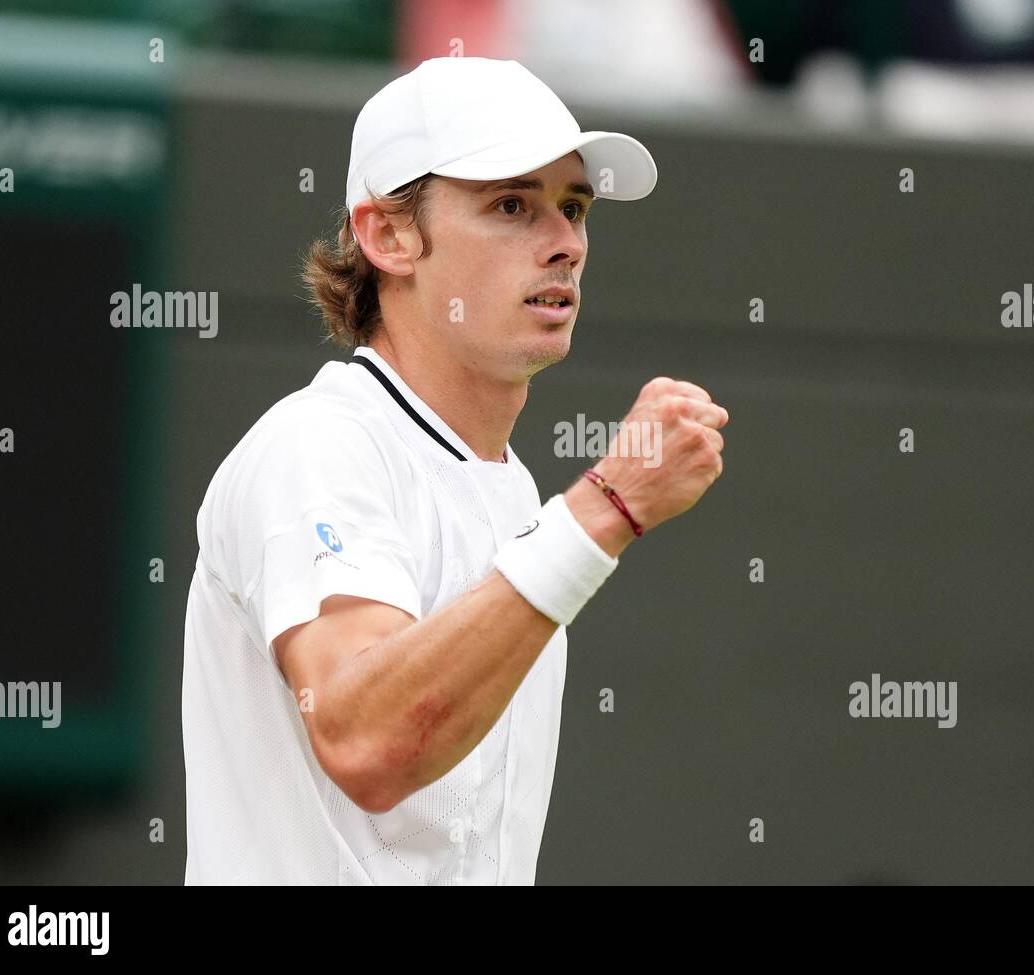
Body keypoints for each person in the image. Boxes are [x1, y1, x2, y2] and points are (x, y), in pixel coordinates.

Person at [181, 56, 728, 884]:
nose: (566, 243)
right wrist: (605, 507)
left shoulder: (509, 490)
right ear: (388, 235)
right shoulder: (317, 447)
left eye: (574, 207)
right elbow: (366, 741)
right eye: (512, 204)